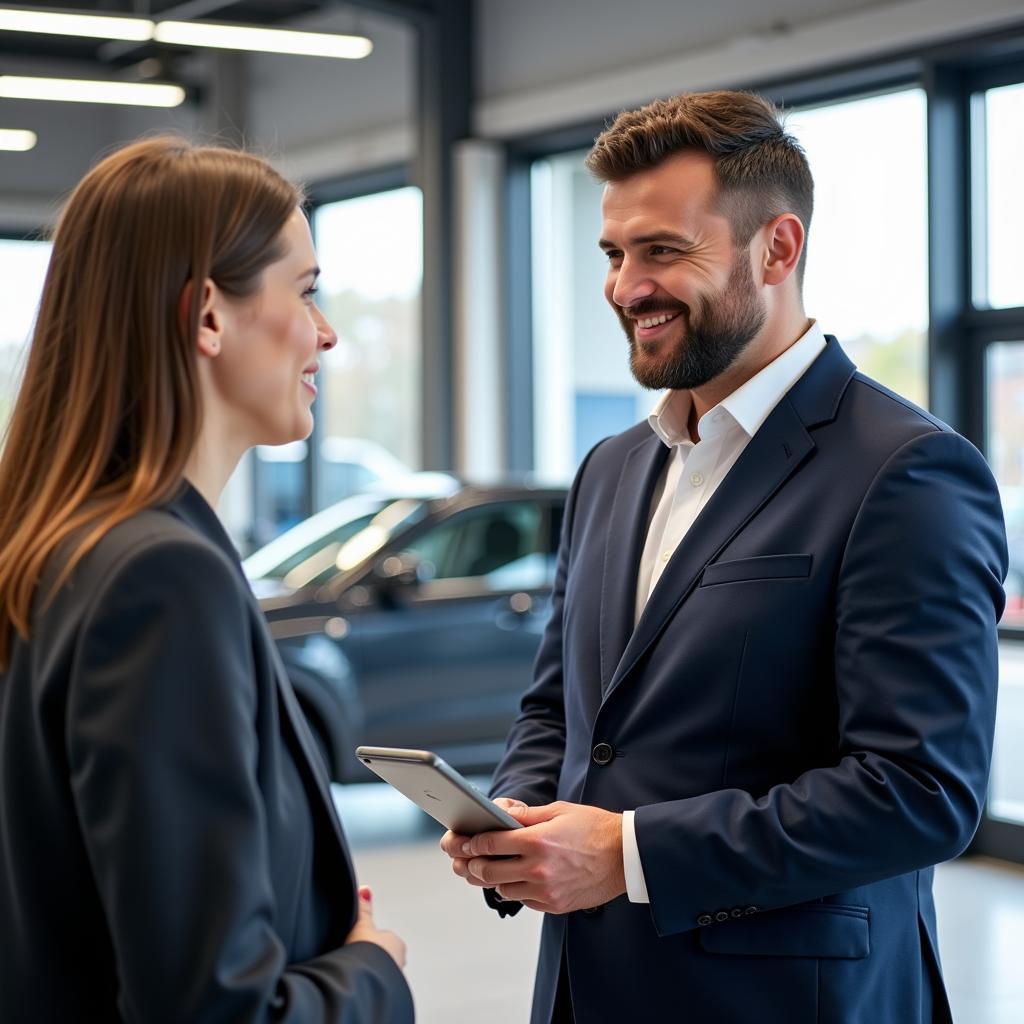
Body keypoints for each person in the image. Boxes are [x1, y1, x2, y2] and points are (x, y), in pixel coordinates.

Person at [440, 90, 1008, 1023]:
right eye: (615, 255)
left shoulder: (905, 471)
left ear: (777, 249)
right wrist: (513, 819)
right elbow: (564, 708)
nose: (627, 288)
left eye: (663, 251)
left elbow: (920, 793)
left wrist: (626, 855)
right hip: (590, 988)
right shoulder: (612, 468)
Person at [0, 137, 414, 1023]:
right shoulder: (161, 580)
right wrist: (372, 973)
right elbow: (213, 1010)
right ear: (208, 317)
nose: (327, 331)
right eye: (305, 291)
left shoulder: (53, 548)